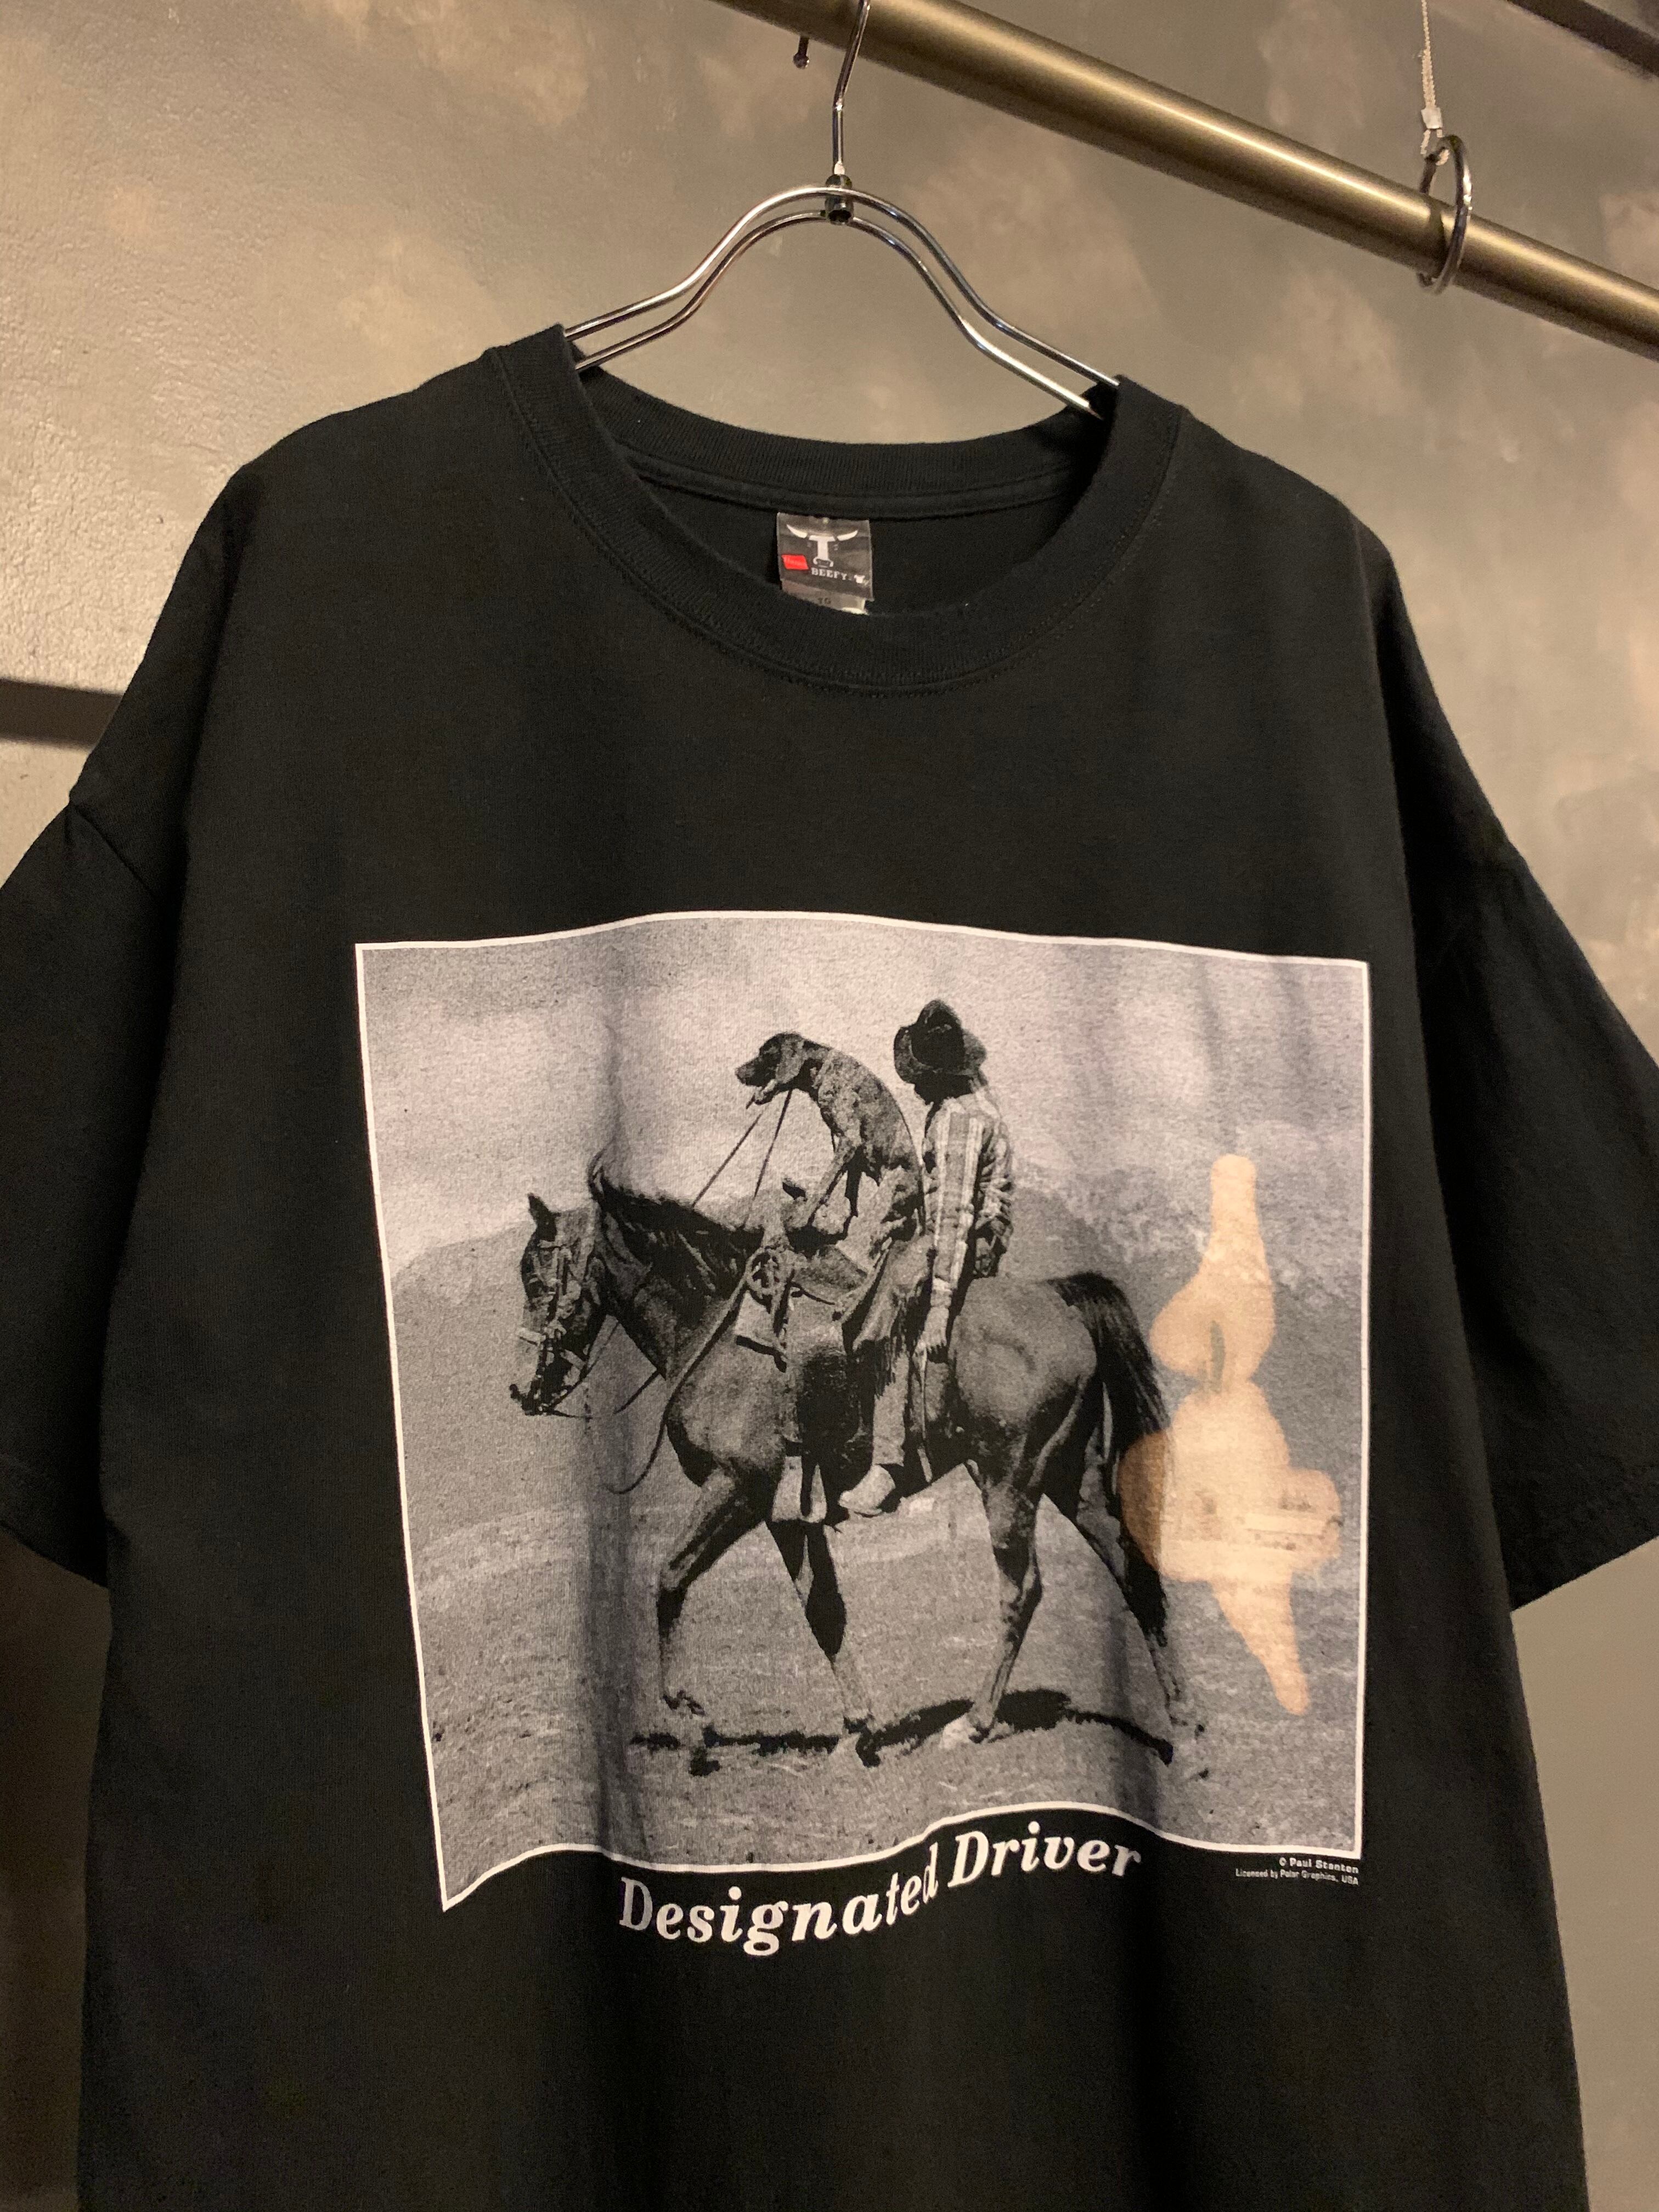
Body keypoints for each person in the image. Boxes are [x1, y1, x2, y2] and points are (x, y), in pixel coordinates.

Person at [841, 998, 1014, 1517]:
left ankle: (886, 1463)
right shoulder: (970, 1102)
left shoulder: (960, 1120)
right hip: (968, 1235)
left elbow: (953, 1215)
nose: (915, 1088)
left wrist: (939, 1304)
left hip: (968, 1243)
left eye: (921, 1078)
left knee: (888, 1313)